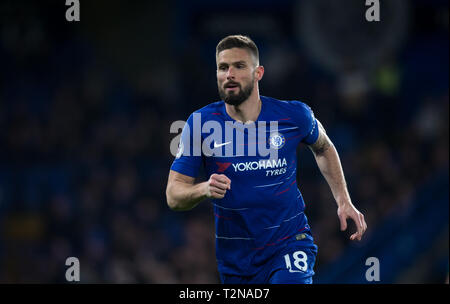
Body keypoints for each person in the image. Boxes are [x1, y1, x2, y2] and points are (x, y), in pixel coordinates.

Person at [166, 35, 367, 284]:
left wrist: (343, 200)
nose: (229, 74)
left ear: (258, 72)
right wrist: (203, 189)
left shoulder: (294, 115)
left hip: (289, 244)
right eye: (222, 67)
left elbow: (324, 147)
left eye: (239, 66)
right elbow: (174, 196)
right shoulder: (199, 124)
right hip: (236, 260)